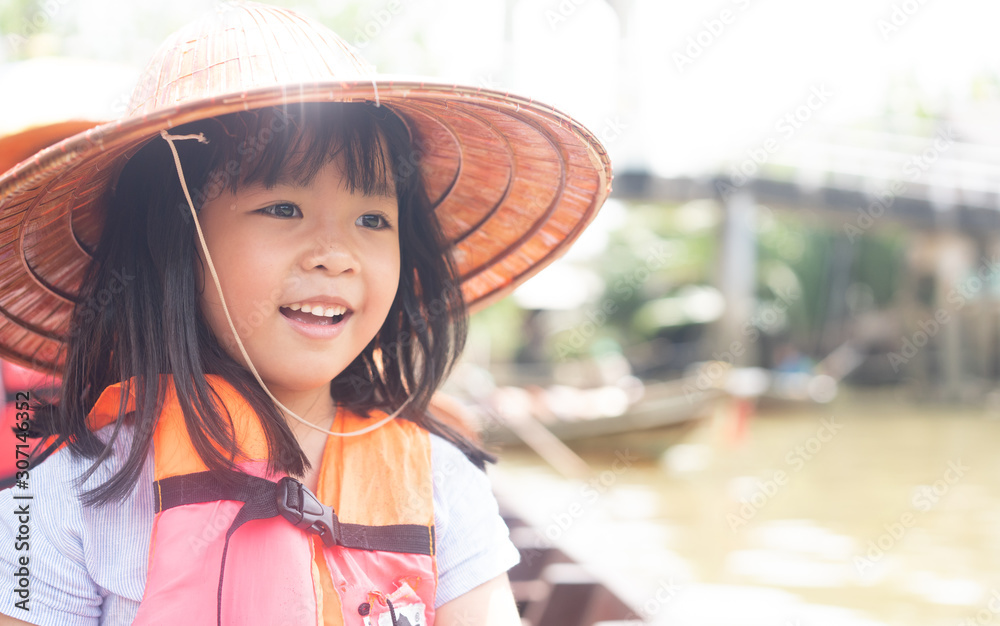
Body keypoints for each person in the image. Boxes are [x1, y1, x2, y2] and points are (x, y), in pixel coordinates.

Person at [0, 2, 612, 625]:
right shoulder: (61, 495)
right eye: (283, 208)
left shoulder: (442, 482)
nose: (336, 255)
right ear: (175, 246)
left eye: (373, 219)